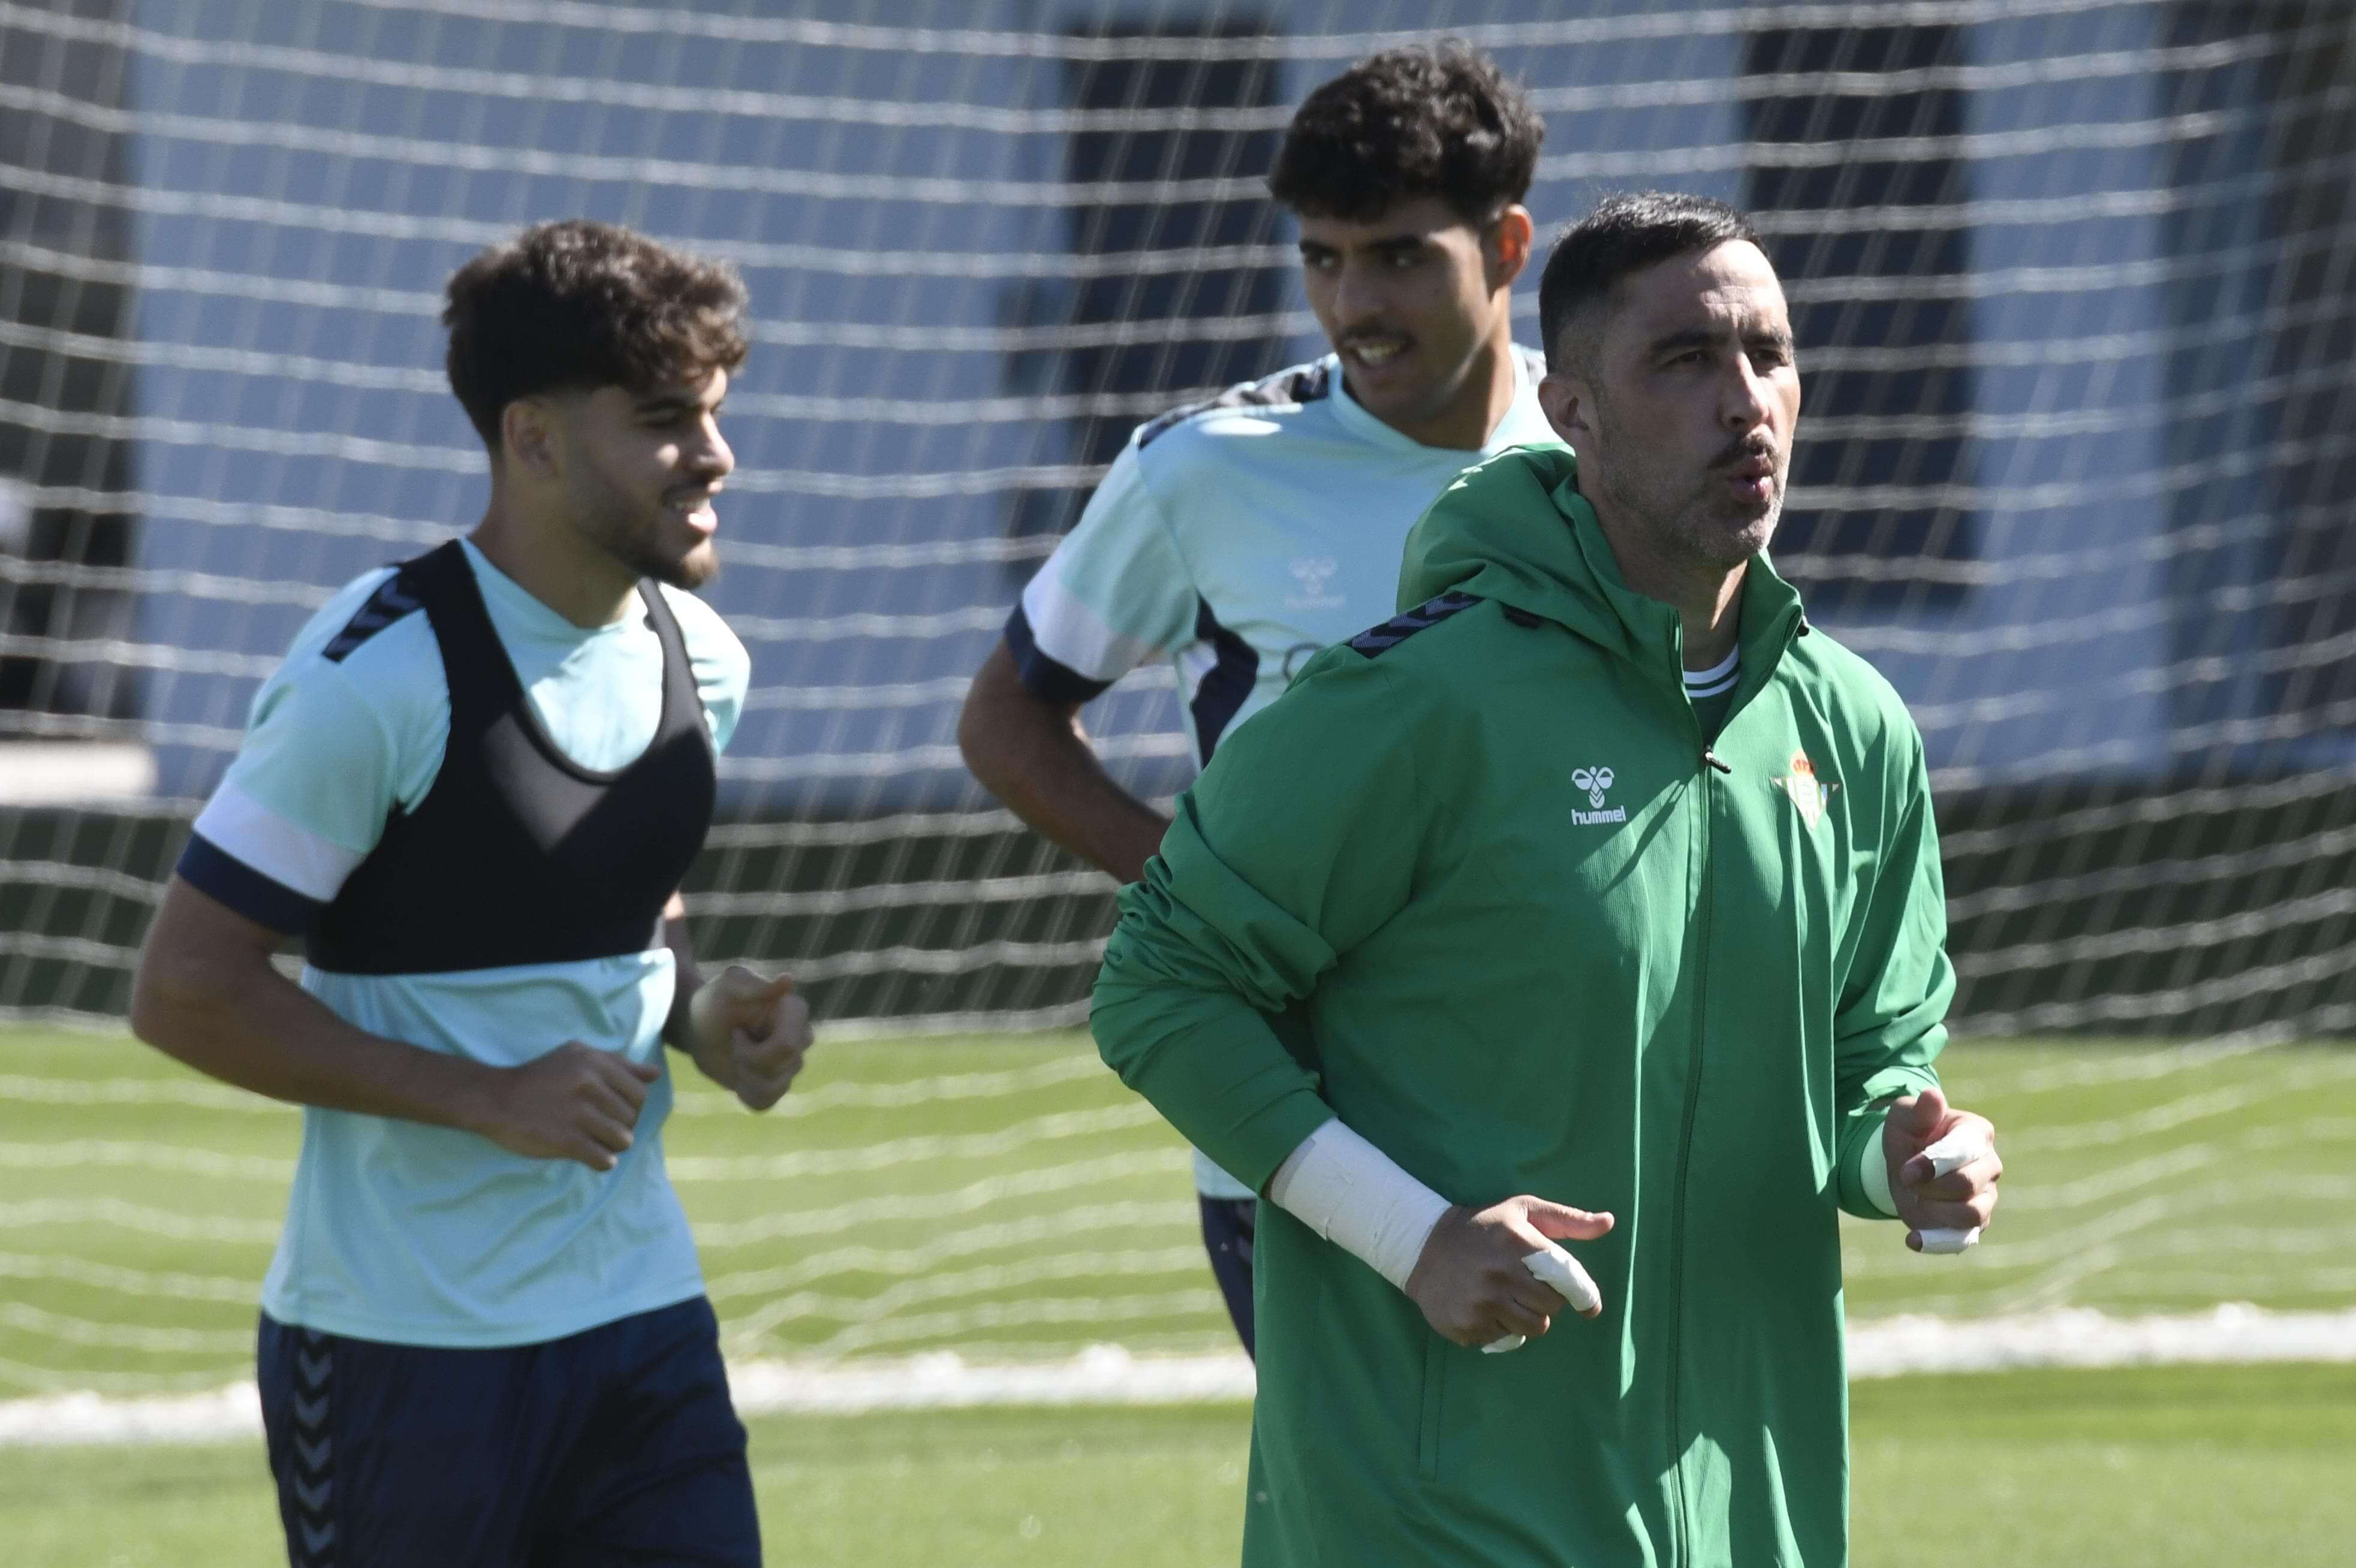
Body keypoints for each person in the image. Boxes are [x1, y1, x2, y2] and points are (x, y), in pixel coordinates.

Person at [1090, 191, 2004, 1567]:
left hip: (1746, 1504)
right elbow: (1159, 987)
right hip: (1438, 1512)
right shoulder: (1415, 703)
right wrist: (1414, 1236)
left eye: (1770, 354)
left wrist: (1909, 1160)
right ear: (1570, 412)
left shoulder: (1855, 726)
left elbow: (1870, 1061)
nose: (1745, 402)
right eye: (1685, 361)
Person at [128, 219, 811, 1568]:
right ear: (534, 438)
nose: (716, 455)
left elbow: (608, 912)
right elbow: (184, 992)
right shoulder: (375, 675)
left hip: (644, 1326)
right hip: (402, 1357)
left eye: (716, 414)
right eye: (666, 420)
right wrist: (487, 1098)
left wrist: (696, 1008)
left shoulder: (707, 662)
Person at [957, 40, 1556, 1361]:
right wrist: (1205, 890)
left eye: (1400, 255)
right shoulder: (1211, 470)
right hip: (1311, 1156)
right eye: (1323, 259)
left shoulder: (1594, 465)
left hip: (1560, 1125)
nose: (1355, 305)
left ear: (1507, 245)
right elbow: (1006, 719)